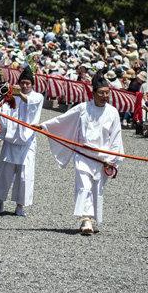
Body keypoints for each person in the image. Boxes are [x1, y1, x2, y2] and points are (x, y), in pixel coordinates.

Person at [41, 70, 123, 235]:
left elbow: (116, 138)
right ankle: (85, 219)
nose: (105, 96)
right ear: (93, 93)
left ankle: (91, 218)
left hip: (103, 157)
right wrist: (44, 126)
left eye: (107, 93)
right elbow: (63, 120)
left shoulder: (113, 112)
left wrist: (111, 159)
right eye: (101, 93)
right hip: (83, 155)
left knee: (96, 189)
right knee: (84, 186)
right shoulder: (83, 108)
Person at [0, 66, 44, 216]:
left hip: (27, 142)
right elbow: (2, 109)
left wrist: (17, 92)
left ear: (32, 84)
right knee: (4, 172)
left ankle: (20, 205)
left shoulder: (37, 97)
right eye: (23, 83)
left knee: (25, 174)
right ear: (19, 82)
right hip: (11, 138)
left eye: (28, 83)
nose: (25, 86)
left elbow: (28, 101)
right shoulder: (13, 96)